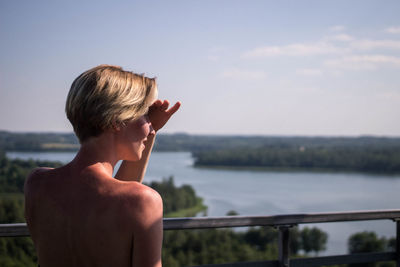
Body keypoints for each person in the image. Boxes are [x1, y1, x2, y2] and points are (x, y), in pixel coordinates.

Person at [24, 65, 181, 267]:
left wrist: (150, 129)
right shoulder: (143, 201)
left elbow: (114, 198)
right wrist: (149, 132)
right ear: (116, 120)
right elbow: (122, 202)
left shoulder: (37, 183)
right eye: (144, 115)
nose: (150, 129)